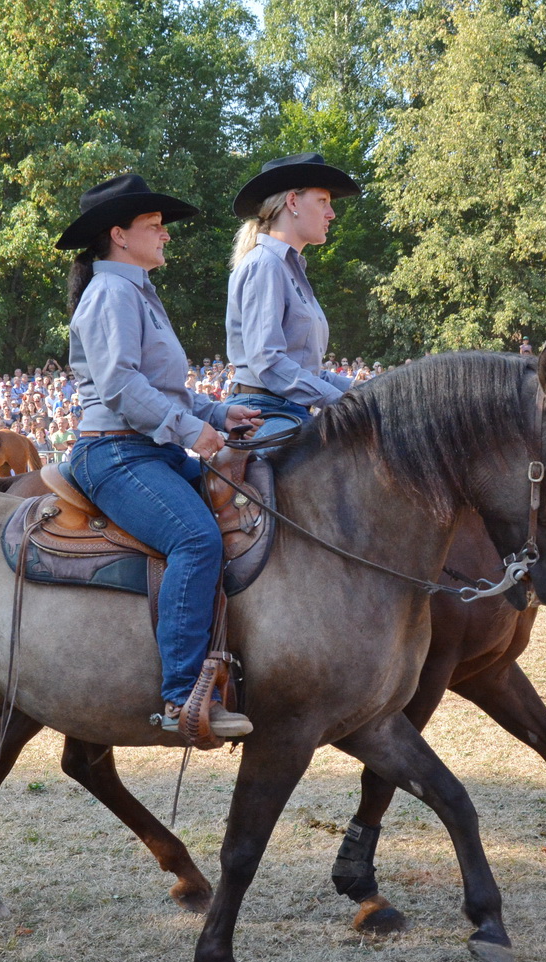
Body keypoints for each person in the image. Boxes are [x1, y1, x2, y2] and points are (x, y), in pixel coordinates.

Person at [57, 173, 260, 738]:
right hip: (116, 454)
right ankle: (182, 697)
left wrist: (219, 413)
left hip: (149, 450)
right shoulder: (112, 293)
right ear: (119, 235)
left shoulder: (138, 292)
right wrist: (191, 430)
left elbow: (163, 388)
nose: (166, 234)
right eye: (154, 225)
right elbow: (121, 386)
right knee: (196, 539)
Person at [225, 152, 363, 444]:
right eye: (323, 201)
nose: (331, 214)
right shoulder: (265, 264)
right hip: (262, 413)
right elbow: (268, 362)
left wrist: (368, 391)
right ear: (292, 202)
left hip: (287, 410)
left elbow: (306, 372)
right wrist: (343, 402)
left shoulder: (286, 268)